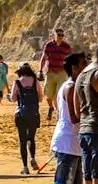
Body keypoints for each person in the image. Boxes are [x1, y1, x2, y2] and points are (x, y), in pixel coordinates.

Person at [52, 52, 87, 184]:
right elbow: (74, 117)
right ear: (74, 68)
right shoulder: (71, 86)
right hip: (68, 143)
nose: (86, 66)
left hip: (74, 143)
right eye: (83, 64)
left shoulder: (73, 85)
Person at [11, 62, 44, 174]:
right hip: (34, 113)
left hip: (21, 114)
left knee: (22, 141)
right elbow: (40, 98)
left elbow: (13, 98)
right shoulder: (35, 81)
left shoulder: (17, 82)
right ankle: (33, 158)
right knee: (31, 138)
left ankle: (25, 167)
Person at [73, 50, 98, 184]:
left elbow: (77, 111)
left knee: (88, 173)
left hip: (84, 128)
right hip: (96, 128)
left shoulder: (81, 75)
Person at [43, 28, 73, 121]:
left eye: (62, 35)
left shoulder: (66, 47)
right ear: (54, 35)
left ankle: (59, 114)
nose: (60, 37)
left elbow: (70, 60)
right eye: (58, 35)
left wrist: (70, 72)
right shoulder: (49, 45)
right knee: (48, 96)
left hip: (62, 73)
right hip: (50, 72)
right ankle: (51, 107)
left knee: (58, 95)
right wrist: (40, 70)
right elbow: (44, 57)